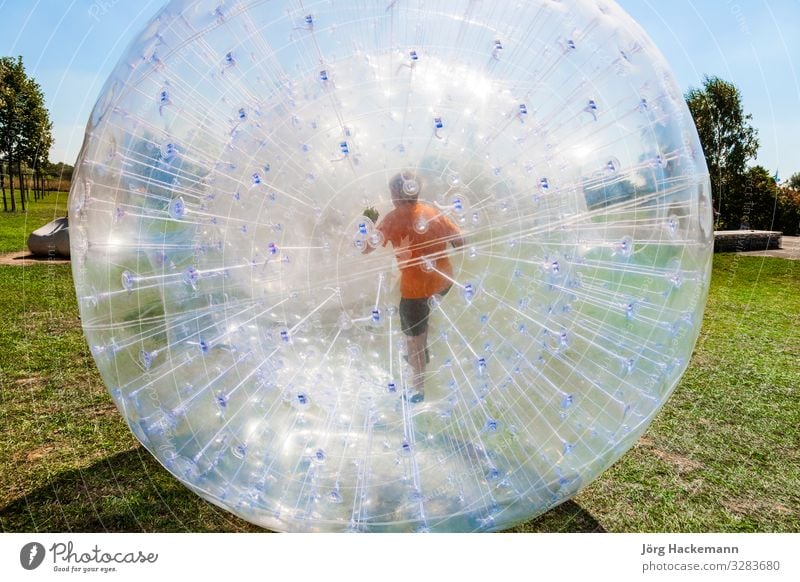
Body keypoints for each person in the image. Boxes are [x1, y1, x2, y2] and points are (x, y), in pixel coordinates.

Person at [363, 171, 464, 403]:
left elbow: (366, 248)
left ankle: (418, 390)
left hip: (416, 291)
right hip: (443, 282)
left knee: (413, 340)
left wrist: (366, 223)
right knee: (422, 322)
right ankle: (423, 348)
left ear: (397, 194)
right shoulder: (433, 213)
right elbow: (460, 242)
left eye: (391, 193)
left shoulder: (392, 219)